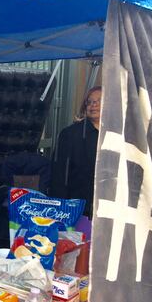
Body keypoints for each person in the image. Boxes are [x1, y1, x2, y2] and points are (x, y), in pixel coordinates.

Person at [50, 86, 102, 217]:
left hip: (106, 207)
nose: (93, 105)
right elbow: (58, 175)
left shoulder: (118, 135)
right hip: (76, 208)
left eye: (99, 101)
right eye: (89, 102)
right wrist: (60, 209)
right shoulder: (70, 134)